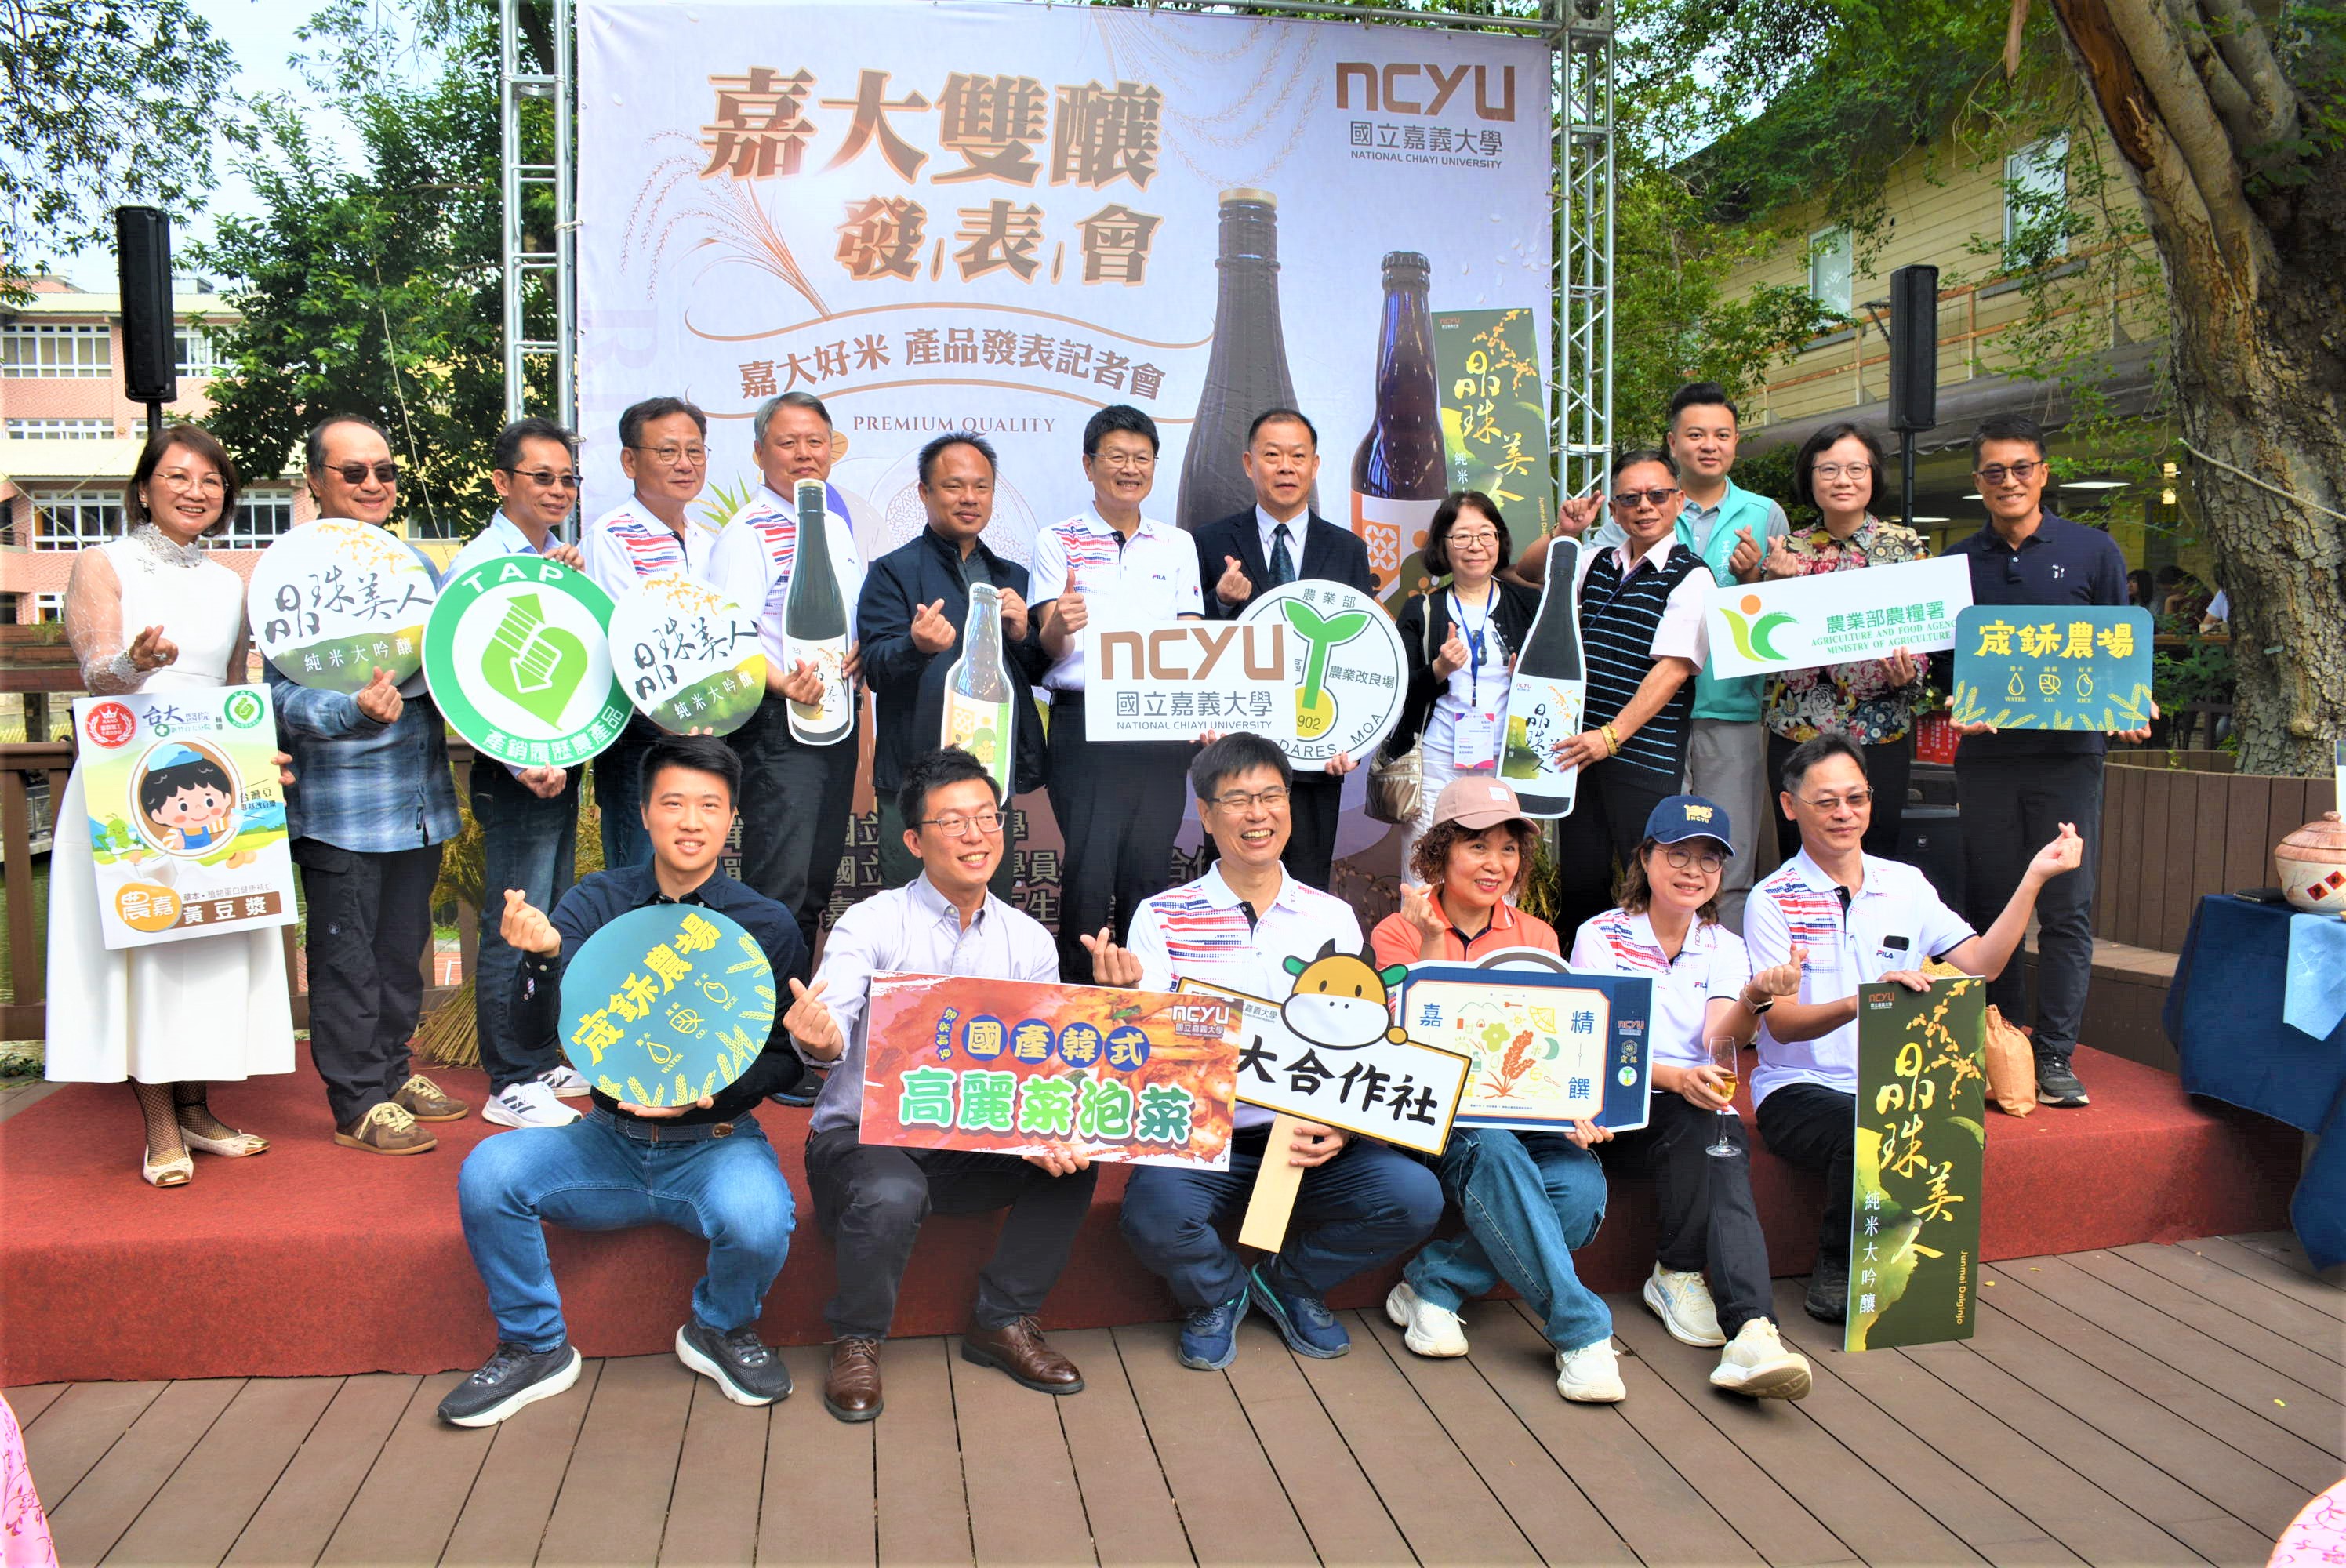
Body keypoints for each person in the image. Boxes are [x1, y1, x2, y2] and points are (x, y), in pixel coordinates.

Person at [438, 734, 806, 1427]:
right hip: (605, 1141)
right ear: (643, 813)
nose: (690, 821)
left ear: (731, 818)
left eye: (709, 806)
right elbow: (534, 1037)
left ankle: (720, 1326)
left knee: (759, 1219)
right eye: (673, 803)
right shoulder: (597, 903)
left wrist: (715, 1094)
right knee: (490, 1172)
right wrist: (542, 960)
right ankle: (535, 1344)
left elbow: (786, 1060)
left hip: (716, 1141)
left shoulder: (766, 922)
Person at [781, 748, 1129, 1421]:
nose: (976, 835)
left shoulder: (1027, 941)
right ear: (914, 841)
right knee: (892, 1189)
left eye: (987, 818)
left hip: (970, 1140)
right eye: (953, 822)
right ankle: (857, 1339)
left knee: (1074, 1161)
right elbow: (831, 1023)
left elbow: (1036, 1066)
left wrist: (1041, 1128)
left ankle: (1003, 1320)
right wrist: (819, 1039)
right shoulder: (873, 922)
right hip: (863, 1142)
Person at [1119, 735, 1444, 1370]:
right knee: (1154, 1215)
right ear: (1206, 814)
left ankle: (1289, 1281)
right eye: (1237, 800)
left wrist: (1344, 1127)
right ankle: (1217, 1292)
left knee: (1413, 1198)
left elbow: (1360, 1043)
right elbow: (1155, 1046)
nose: (1258, 814)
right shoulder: (1162, 916)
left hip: (1304, 1136)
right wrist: (1126, 1003)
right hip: (1202, 1134)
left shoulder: (1331, 918)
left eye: (1272, 796)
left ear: (1290, 806)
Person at [1749, 734, 2083, 1323]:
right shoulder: (1771, 899)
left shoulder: (1905, 884)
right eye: (1826, 801)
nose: (1844, 813)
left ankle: (1918, 1279)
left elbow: (1983, 964)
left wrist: (2034, 878)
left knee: (1951, 1125)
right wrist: (1867, 1002)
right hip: (1798, 1088)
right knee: (1863, 1130)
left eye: (1856, 798)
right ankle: (1840, 1266)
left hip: (1894, 1085)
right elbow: (1783, 1024)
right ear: (1789, 806)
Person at [45, 425, 295, 1185]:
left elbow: (234, 693)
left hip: (211, 789)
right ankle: (160, 1125)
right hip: (125, 779)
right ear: (144, 487)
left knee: (208, 946)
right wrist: (135, 663)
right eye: (178, 476)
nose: (196, 490)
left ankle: (197, 1110)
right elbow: (97, 672)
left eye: (212, 479)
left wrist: (257, 765)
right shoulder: (103, 562)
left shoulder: (229, 584)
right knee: (145, 948)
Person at [1564, 797, 1814, 1399]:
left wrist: (1755, 996)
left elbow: (1716, 1041)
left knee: (1717, 1134)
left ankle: (1753, 1332)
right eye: (1678, 855)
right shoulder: (1601, 935)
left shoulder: (1724, 946)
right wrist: (1676, 1079)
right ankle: (1678, 1272)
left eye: (1709, 860)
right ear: (1646, 857)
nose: (1693, 871)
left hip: (1689, 1115)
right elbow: (1594, 1044)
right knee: (1709, 1124)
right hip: (1611, 1117)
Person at [267, 416, 469, 1154]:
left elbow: (459, 668)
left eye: (384, 471)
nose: (373, 484)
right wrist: (348, 711)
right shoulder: (290, 575)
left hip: (418, 805)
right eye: (353, 472)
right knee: (346, 961)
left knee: (400, 955)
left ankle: (391, 1073)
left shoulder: (416, 567)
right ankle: (357, 1102)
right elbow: (276, 698)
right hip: (338, 812)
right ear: (315, 481)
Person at [1946, 413, 2140, 1109]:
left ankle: (2055, 1054)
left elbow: (2121, 648)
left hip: (2069, 760)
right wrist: (1943, 695)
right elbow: (1943, 667)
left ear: (2043, 473)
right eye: (1994, 471)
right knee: (1992, 906)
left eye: (2021, 468)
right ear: (1978, 481)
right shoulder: (1957, 563)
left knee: (2066, 909)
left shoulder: (2094, 551)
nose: (2009, 481)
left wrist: (2130, 703)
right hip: (1987, 759)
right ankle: (2000, 1042)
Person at [445, 418, 597, 1131]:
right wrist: (520, 761)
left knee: (550, 916)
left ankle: (538, 1056)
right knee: (515, 921)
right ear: (502, 482)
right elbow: (467, 679)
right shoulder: (480, 566)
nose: (558, 490)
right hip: (515, 771)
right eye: (542, 477)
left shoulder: (552, 560)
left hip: (558, 764)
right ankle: (509, 1079)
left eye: (567, 478)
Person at [1031, 405, 1203, 982]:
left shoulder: (1177, 545)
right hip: (1086, 724)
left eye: (1142, 458)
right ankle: (1078, 1002)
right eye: (1116, 457)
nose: (1130, 469)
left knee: (1150, 872)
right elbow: (1050, 646)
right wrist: (1059, 624)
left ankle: (1144, 1000)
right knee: (1088, 871)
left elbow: (1191, 642)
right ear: (1089, 465)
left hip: (1159, 724)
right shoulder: (1057, 540)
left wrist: (1201, 710)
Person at [706, 390, 866, 970]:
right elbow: (726, 641)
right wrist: (780, 684)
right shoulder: (748, 533)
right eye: (788, 443)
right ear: (759, 453)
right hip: (778, 728)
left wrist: (861, 652)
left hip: (837, 718)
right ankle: (761, 1021)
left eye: (815, 442)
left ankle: (794, 1017)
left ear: (831, 450)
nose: (804, 454)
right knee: (777, 888)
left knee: (816, 885)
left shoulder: (835, 525)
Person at [858, 433, 1047, 901]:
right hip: (914, 778)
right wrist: (916, 645)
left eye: (981, 487)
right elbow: (875, 669)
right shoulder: (893, 572)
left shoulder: (1012, 577)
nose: (969, 498)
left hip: (989, 778)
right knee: (910, 911)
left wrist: (1024, 635)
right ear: (924, 492)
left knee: (988, 909)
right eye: (954, 486)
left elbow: (1038, 673)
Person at [1190, 409, 1375, 889]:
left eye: (1298, 456)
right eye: (1272, 455)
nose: (1286, 467)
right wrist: (1220, 601)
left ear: (1316, 465)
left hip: (1317, 750)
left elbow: (1360, 652)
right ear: (1249, 463)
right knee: (1232, 882)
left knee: (1307, 885)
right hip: (1235, 747)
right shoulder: (1208, 542)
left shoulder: (1348, 549)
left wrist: (1351, 741)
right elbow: (1187, 640)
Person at [1548, 449, 1715, 940]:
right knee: (1581, 880)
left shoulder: (1693, 575)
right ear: (1615, 511)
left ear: (1679, 501)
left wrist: (1610, 737)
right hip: (1580, 754)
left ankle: (1654, 973)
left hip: (1642, 758)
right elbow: (1536, 579)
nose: (1645, 506)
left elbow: (1673, 670)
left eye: (1657, 495)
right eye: (1630, 498)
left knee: (1647, 882)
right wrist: (1565, 533)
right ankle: (1583, 969)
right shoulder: (1594, 562)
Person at [1760, 421, 1930, 862]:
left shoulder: (1906, 548)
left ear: (1873, 476)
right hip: (1798, 731)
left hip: (1881, 734)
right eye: (1829, 469)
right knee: (1801, 860)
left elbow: (1926, 635)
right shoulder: (1786, 551)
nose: (1843, 480)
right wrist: (1771, 587)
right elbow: (1762, 645)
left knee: (1878, 859)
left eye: (1856, 469)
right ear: (1810, 477)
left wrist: (1909, 675)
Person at [1661, 383, 1790, 931]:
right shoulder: (1648, 506)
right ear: (1673, 443)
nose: (1709, 445)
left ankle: (1727, 972)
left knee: (1728, 853)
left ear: (1736, 442)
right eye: (1696, 434)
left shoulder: (1765, 515)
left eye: (1721, 434)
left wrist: (1756, 578)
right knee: (1658, 848)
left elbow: (1783, 621)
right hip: (1652, 710)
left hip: (1731, 707)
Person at [583, 395, 719, 870]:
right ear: (629, 461)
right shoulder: (611, 537)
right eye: (667, 452)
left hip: (702, 730)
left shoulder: (707, 542)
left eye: (695, 451)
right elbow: (623, 643)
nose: (685, 464)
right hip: (642, 735)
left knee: (692, 874)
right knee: (640, 875)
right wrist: (673, 722)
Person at [1386, 494, 1541, 871]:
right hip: (1437, 762)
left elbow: (1556, 683)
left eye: (1486, 534)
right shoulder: (1422, 609)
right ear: (1443, 545)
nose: (1476, 546)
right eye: (1462, 536)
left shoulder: (1528, 604)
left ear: (1500, 541)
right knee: (1428, 872)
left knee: (1497, 872)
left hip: (1507, 764)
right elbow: (1397, 690)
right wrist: (1439, 669)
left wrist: (1527, 679)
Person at [1368, 776, 1555, 967]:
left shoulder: (1538, 939)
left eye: (1508, 849)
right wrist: (1432, 939)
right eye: (1479, 847)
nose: (1495, 866)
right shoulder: (1397, 933)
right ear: (1439, 851)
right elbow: (1425, 988)